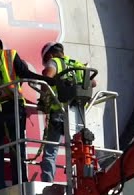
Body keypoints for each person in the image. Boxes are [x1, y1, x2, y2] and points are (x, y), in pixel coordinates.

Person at [0, 34, 52, 191]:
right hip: (12, 109)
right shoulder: (10, 55)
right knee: (17, 148)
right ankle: (19, 186)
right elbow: (26, 74)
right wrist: (49, 81)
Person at [37, 42, 96, 183]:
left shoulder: (54, 62)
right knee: (79, 150)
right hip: (77, 116)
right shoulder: (77, 64)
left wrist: (43, 101)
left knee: (51, 152)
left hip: (58, 112)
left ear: (50, 55)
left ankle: (48, 183)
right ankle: (82, 181)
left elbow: (48, 76)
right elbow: (93, 83)